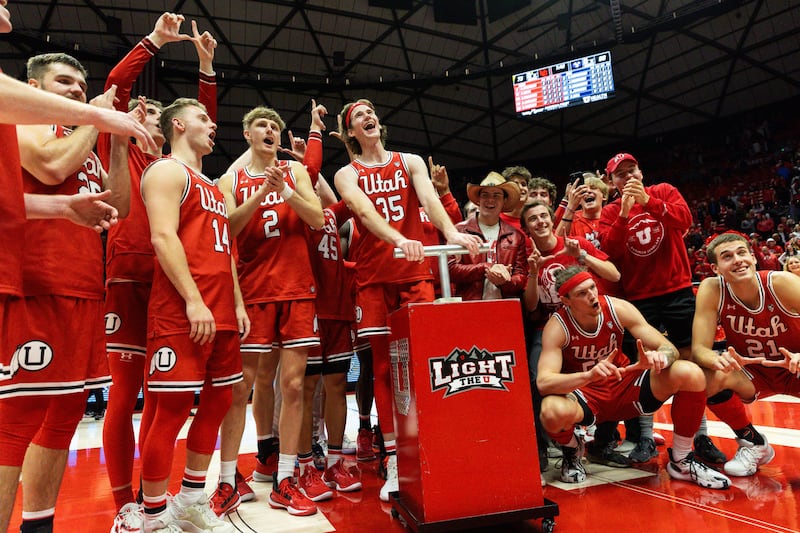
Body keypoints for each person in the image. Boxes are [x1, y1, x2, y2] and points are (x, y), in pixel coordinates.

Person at [97, 13, 222, 530]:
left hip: (175, 280)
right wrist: (153, 42)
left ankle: (160, 498)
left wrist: (206, 68)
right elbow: (114, 88)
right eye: (140, 112)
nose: (144, 114)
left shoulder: (176, 168)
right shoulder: (120, 144)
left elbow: (200, 123)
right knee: (126, 392)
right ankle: (124, 502)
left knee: (164, 395)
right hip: (131, 275)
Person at [2, 50, 132, 533]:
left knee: (65, 414)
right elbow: (52, 168)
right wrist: (97, 118)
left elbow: (117, 209)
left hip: (82, 289)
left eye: (81, 84)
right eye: (64, 82)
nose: (77, 90)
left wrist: (116, 145)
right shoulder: (29, 123)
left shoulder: (83, 139)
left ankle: (39, 525)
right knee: (15, 424)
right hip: (35, 284)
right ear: (34, 88)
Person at [333, 98, 481, 501]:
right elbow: (362, 211)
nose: (368, 116)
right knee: (382, 367)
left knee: (425, 363)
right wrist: (399, 238)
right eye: (358, 114)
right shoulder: (346, 173)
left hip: (415, 274)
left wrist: (451, 233)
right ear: (350, 132)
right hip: (374, 277)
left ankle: (434, 448)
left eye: (371, 111)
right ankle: (396, 460)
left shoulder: (410, 160)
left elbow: (429, 200)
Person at [138, 98, 246, 533]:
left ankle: (190, 499)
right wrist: (193, 299)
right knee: (172, 409)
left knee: (220, 401)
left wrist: (235, 303)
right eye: (203, 118)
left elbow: (227, 252)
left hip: (221, 310)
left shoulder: (215, 186)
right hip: (183, 311)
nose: (212, 124)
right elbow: (163, 237)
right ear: (178, 124)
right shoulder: (166, 170)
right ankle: (153, 517)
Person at [214, 105, 324, 517]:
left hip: (296, 289)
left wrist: (288, 190)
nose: (270, 130)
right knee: (240, 387)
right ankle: (227, 480)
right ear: (247, 134)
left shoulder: (294, 173)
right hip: (253, 291)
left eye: (275, 125)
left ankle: (286, 478)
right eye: (262, 124)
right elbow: (228, 226)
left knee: (293, 386)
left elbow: (316, 219)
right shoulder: (231, 179)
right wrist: (263, 192)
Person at [537, 266, 731, 490]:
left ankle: (682, 459)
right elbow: (544, 383)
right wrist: (587, 375)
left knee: (690, 373)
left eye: (592, 287)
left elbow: (668, 348)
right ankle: (572, 449)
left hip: (625, 383)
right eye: (582, 293)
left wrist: (661, 357)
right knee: (551, 410)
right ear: (566, 300)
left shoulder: (617, 308)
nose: (592, 295)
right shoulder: (557, 326)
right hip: (586, 393)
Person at [597, 152, 727, 465]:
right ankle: (644, 436)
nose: (628, 177)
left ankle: (700, 435)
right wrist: (625, 215)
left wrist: (648, 201)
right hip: (638, 299)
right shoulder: (610, 211)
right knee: (647, 364)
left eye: (632, 170)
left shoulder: (664, 191)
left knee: (693, 361)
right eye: (620, 174)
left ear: (641, 172)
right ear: (611, 181)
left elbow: (684, 219)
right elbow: (610, 253)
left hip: (678, 290)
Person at [520, 200, 620, 472]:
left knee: (614, 372)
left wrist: (582, 258)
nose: (540, 221)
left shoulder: (576, 244)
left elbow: (615, 274)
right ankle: (555, 445)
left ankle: (604, 441)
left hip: (588, 322)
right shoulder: (526, 255)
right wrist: (531, 272)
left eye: (544, 216)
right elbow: (530, 306)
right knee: (536, 378)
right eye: (533, 219)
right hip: (549, 327)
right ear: (526, 227)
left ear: (552, 219)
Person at [692, 232, 800, 477]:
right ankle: (753, 442)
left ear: (753, 257)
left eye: (742, 253)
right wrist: (717, 360)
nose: (738, 260)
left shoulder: (781, 282)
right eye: (727, 257)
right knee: (703, 378)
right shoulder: (712, 288)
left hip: (794, 367)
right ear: (715, 268)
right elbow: (699, 350)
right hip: (753, 372)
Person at [448, 172, 526, 301]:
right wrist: (486, 267)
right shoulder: (460, 231)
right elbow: (450, 270)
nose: (490, 200)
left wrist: (504, 281)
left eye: (496, 195)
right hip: (470, 307)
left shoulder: (516, 236)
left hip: (505, 309)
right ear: (478, 200)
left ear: (504, 201)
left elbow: (521, 277)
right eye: (485, 195)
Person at [499, 165, 531, 234]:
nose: (521, 188)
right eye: (515, 184)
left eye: (523, 184)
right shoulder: (494, 219)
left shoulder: (533, 219)